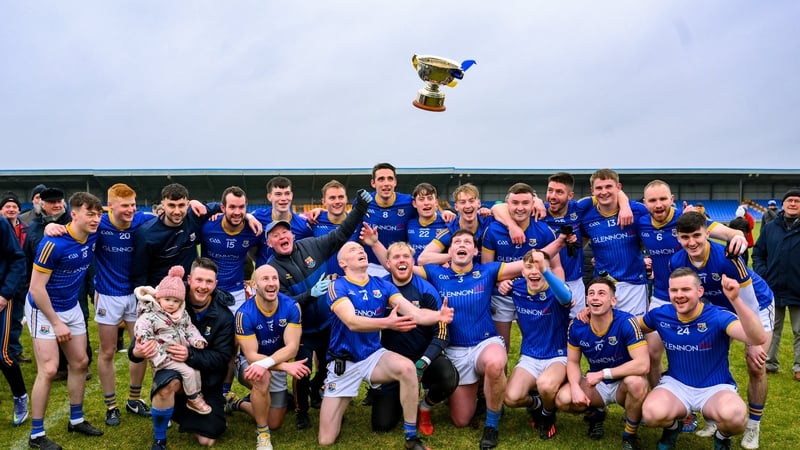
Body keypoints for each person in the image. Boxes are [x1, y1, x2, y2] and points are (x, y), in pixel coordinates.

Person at [318, 241, 454, 449]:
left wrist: (438, 315)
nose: (361, 252)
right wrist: (387, 323)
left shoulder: (383, 286)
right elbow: (352, 322)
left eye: (362, 250)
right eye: (354, 251)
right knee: (326, 440)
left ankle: (410, 436)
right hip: (344, 363)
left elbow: (415, 313)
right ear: (342, 263)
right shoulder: (337, 286)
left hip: (373, 356)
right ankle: (339, 398)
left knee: (408, 368)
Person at [266, 188, 372, 430]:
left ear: (292, 235)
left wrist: (360, 209)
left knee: (328, 365)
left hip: (328, 322)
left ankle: (319, 389)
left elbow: (342, 233)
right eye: (276, 235)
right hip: (302, 329)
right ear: (269, 242)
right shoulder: (272, 270)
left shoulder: (312, 245)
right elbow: (283, 304)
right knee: (302, 368)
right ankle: (302, 410)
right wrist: (309, 295)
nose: (282, 236)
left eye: (285, 232)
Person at [409, 229, 524, 450]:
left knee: (495, 363)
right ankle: (477, 396)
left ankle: (492, 424)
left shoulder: (488, 270)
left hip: (485, 343)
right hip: (455, 351)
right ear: (450, 251)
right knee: (461, 421)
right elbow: (400, 267)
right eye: (457, 242)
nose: (462, 244)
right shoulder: (434, 272)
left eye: (467, 242)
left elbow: (525, 264)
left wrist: (553, 247)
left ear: (475, 250)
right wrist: (376, 245)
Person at [671, 212, 775, 449]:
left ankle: (753, 425)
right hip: (719, 308)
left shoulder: (728, 258)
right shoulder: (677, 262)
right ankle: (712, 417)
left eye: (697, 235)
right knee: (708, 358)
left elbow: (749, 302)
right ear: (677, 238)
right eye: (685, 237)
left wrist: (755, 341)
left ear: (707, 233)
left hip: (755, 305)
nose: (692, 242)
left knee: (755, 363)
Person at [640, 268, 767, 450]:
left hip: (715, 387)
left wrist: (735, 300)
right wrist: (592, 316)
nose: (679, 295)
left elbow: (757, 338)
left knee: (736, 418)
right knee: (651, 413)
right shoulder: (660, 315)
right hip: (677, 385)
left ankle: (722, 437)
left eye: (685, 290)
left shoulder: (718, 316)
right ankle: (672, 429)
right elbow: (628, 327)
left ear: (699, 291)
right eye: (674, 290)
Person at [130, 257, 236, 450]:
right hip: (172, 371)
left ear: (216, 284)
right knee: (169, 384)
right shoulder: (170, 297)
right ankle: (160, 437)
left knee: (208, 439)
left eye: (209, 281)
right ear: (189, 279)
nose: (203, 286)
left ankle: (178, 412)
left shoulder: (224, 316)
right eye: (199, 280)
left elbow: (222, 357)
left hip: (207, 383)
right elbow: (137, 345)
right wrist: (137, 351)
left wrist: (191, 355)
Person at [26, 192, 104, 450]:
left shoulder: (93, 234)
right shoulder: (53, 243)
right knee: (48, 369)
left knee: (80, 362)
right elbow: (36, 289)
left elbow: (125, 214)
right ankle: (36, 435)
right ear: (74, 214)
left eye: (98, 213)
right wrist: (56, 322)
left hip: (71, 306)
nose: (95, 219)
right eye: (89, 214)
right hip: (44, 308)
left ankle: (76, 419)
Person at [375, 242, 458, 436]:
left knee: (448, 377)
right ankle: (390, 393)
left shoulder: (426, 290)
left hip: (422, 358)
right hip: (393, 362)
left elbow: (442, 333)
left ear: (413, 262)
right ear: (388, 263)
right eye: (396, 257)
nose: (402, 260)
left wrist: (423, 362)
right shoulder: (380, 288)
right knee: (382, 425)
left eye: (406, 256)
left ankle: (425, 406)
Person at [555, 277, 649, 450]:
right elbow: (573, 362)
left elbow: (642, 364)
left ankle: (629, 435)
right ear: (586, 300)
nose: (595, 298)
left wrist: (602, 374)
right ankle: (596, 412)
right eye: (591, 294)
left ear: (613, 300)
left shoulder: (627, 322)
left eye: (601, 293)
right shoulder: (577, 325)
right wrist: (575, 386)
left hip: (623, 383)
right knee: (563, 399)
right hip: (598, 386)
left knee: (637, 383)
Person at [92, 183, 155, 425]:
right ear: (110, 206)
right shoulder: (99, 223)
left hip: (137, 294)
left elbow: (171, 215)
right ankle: (111, 406)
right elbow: (72, 226)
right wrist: (52, 227)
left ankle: (134, 399)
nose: (131, 210)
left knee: (140, 348)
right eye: (125, 206)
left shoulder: (142, 220)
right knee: (107, 351)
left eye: (133, 205)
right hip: (108, 294)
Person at [233, 264, 310, 450]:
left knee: (275, 422)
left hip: (275, 361)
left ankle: (237, 403)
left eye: (274, 278)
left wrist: (274, 364)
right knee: (262, 377)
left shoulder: (292, 306)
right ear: (254, 285)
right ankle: (263, 434)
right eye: (265, 279)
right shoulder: (244, 314)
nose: (271, 283)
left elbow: (292, 348)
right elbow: (251, 356)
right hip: (249, 364)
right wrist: (285, 367)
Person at [481, 183, 566, 352]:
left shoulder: (544, 230)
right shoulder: (493, 230)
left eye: (525, 203)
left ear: (533, 204)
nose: (520, 208)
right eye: (515, 203)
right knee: (501, 346)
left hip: (532, 295)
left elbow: (556, 267)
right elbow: (486, 267)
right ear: (508, 205)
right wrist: (498, 284)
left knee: (537, 344)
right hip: (502, 295)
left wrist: (556, 292)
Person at [502, 250, 572, 440]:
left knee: (546, 385)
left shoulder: (557, 289)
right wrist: (501, 284)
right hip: (530, 356)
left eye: (540, 266)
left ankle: (548, 416)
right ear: (522, 272)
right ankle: (537, 404)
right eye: (529, 266)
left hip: (557, 356)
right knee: (510, 398)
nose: (535, 271)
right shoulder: (516, 288)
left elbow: (566, 298)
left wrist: (546, 271)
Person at [134, 266, 212, 416]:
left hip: (178, 353)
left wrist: (197, 341)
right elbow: (142, 330)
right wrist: (152, 349)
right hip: (164, 356)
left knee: (195, 369)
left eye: (175, 301)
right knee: (189, 372)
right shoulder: (150, 315)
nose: (171, 304)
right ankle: (193, 398)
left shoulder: (181, 314)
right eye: (167, 299)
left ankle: (194, 396)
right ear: (158, 298)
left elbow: (190, 328)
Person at [580, 169, 650, 316]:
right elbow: (579, 246)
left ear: (618, 188)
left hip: (634, 286)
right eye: (599, 188)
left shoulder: (637, 211)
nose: (604, 192)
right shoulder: (587, 218)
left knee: (635, 332)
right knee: (605, 334)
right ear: (592, 191)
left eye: (608, 186)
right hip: (603, 286)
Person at [132, 183, 219, 287]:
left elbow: (226, 206)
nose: (177, 211)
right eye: (171, 205)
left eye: (181, 205)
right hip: (162, 295)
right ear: (163, 205)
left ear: (188, 204)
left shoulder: (195, 215)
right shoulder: (146, 234)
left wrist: (218, 214)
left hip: (189, 290)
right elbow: (139, 275)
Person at [754, 188, 800, 381]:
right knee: (772, 328)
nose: (793, 204)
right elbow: (758, 254)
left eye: (797, 201)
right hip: (773, 287)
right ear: (783, 204)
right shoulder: (770, 227)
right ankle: (770, 362)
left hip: (798, 288)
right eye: (789, 200)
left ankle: (799, 367)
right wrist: (764, 274)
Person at [201, 186, 261, 313]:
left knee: (238, 331)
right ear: (223, 208)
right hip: (207, 291)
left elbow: (262, 254)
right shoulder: (207, 227)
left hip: (237, 292)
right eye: (232, 207)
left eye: (241, 207)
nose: (237, 212)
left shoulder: (253, 231)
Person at [0, 205, 29, 426]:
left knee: (2, 354)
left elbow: (17, 259)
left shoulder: (1, 223)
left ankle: (20, 396)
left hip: (0, 299)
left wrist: (5, 294)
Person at [418, 183, 492, 265]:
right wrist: (456, 255)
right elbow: (422, 259)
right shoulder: (451, 230)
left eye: (471, 201)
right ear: (456, 207)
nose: (467, 206)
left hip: (483, 275)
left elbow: (504, 207)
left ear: (479, 203)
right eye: (462, 202)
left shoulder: (488, 224)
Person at [253, 176, 313, 266]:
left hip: (290, 278)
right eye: (278, 194)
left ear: (291, 195)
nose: (284, 198)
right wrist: (248, 217)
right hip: (265, 276)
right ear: (269, 197)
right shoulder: (258, 218)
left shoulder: (303, 226)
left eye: (287, 193)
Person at [1, 191, 31, 363]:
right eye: (7, 206)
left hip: (21, 280)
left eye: (14, 207)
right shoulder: (2, 227)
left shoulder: (26, 228)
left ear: (19, 210)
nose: (11, 209)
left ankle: (14, 350)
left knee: (16, 318)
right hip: (4, 281)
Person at [406, 183, 449, 262]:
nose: (426, 203)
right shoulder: (409, 223)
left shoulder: (447, 222)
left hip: (438, 273)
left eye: (430, 198)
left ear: (436, 202)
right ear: (414, 204)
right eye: (421, 199)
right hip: (415, 272)